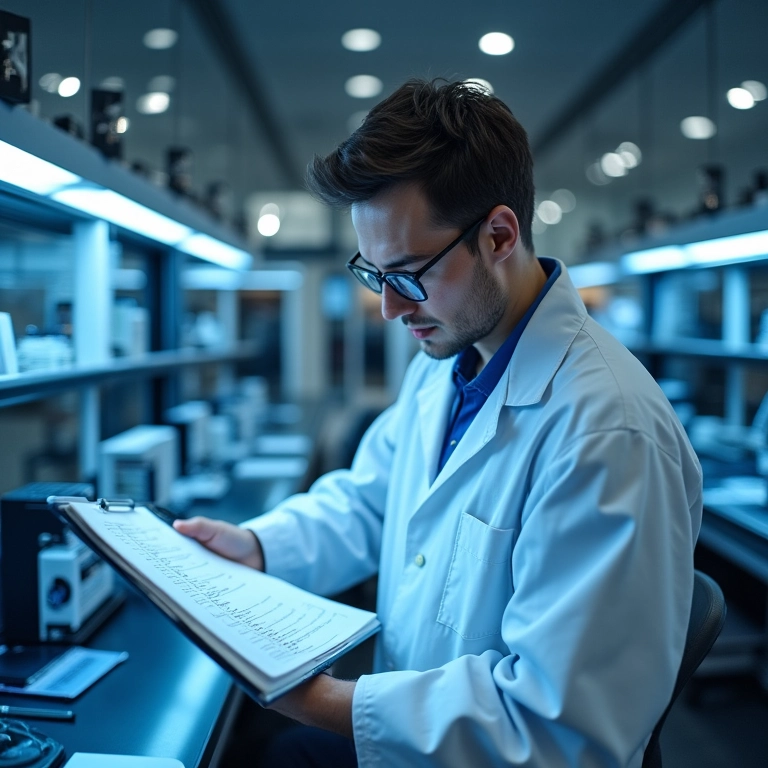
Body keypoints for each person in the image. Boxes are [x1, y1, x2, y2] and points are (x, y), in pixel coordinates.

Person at [174, 79, 702, 767]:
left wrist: (313, 698)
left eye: (409, 275)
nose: (391, 310)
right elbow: (372, 502)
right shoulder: (446, 357)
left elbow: (561, 728)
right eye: (375, 274)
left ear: (499, 235)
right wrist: (256, 546)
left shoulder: (607, 432)